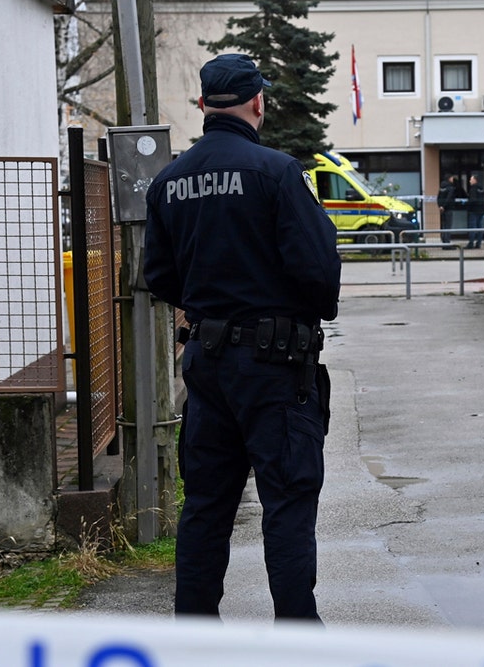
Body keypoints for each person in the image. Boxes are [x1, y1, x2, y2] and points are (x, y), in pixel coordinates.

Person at [143, 53, 342, 622]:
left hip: (206, 366)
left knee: (205, 506)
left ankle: (195, 635)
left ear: (203, 105)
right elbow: (317, 269)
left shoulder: (168, 182)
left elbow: (158, 276)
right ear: (258, 102)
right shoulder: (278, 171)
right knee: (287, 499)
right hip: (276, 369)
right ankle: (298, 637)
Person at [437, 174, 459, 243]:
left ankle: (444, 241)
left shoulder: (442, 187)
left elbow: (438, 198)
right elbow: (449, 198)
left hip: (442, 210)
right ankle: (447, 242)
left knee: (443, 226)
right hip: (448, 209)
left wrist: (440, 206)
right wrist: (444, 206)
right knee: (448, 226)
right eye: (452, 178)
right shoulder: (450, 188)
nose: (453, 179)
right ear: (449, 178)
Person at [465, 173, 484, 249]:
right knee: (479, 227)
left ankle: (471, 243)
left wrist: (467, 206)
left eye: (471, 179)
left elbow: (472, 200)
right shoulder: (481, 188)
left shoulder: (473, 189)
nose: (470, 181)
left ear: (475, 180)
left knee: (472, 227)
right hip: (481, 210)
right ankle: (478, 243)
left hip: (474, 210)